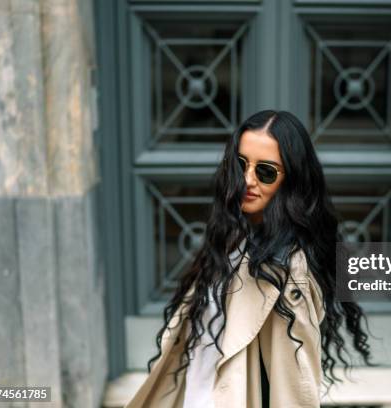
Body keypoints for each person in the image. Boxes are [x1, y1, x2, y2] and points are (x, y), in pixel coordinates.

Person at [126, 110, 371, 408]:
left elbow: (294, 388)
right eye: (240, 165)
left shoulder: (286, 269)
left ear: (290, 180)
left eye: (265, 172)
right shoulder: (233, 234)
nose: (247, 180)